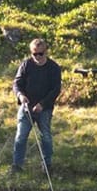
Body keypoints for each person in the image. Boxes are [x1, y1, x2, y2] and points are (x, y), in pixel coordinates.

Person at [12, 39, 62, 172]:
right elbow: (17, 84)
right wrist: (20, 96)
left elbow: (56, 90)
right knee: (20, 137)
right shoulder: (25, 65)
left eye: (41, 54)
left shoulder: (54, 68)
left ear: (46, 52)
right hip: (26, 108)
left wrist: (42, 104)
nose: (38, 57)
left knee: (45, 137)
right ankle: (17, 166)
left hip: (44, 109)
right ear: (31, 53)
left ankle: (47, 165)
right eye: (35, 54)